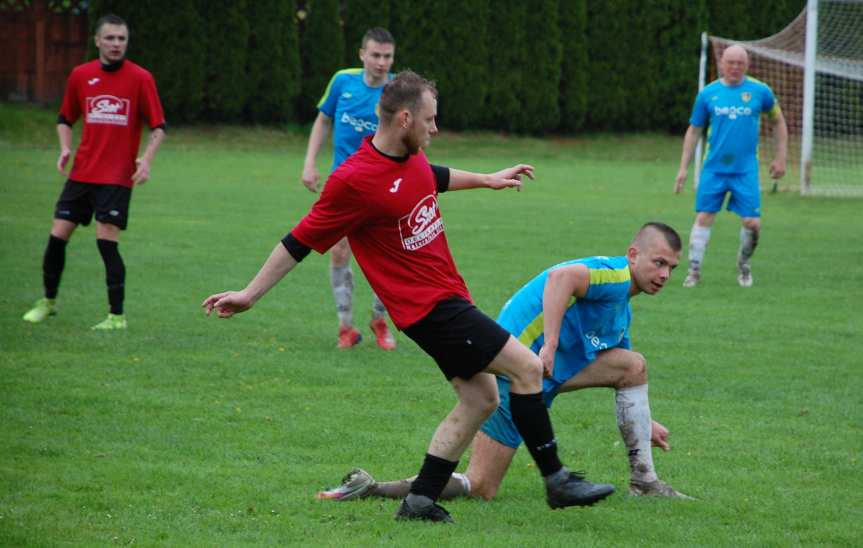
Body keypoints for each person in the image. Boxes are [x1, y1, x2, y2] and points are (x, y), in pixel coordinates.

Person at [203, 71, 614, 523]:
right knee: (529, 367)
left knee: (481, 399)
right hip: (430, 309)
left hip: (445, 300)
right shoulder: (354, 181)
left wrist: (488, 179)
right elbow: (298, 240)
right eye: (430, 120)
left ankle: (420, 501)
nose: (435, 129)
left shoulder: (410, 156)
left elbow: (432, 177)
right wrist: (250, 294)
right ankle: (557, 481)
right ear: (404, 118)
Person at [317, 223, 693, 503]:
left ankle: (373, 489)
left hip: (534, 380)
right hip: (517, 376)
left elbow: (623, 370)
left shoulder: (620, 309)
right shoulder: (612, 274)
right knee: (480, 485)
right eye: (659, 262)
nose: (664, 275)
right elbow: (561, 278)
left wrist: (644, 419)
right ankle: (643, 484)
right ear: (633, 255)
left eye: (672, 268)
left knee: (479, 487)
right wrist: (550, 344)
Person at [22, 14, 166, 330]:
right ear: (97, 41)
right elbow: (64, 118)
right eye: (110, 38)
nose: (116, 44)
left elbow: (158, 128)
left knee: (106, 242)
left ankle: (116, 316)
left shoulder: (141, 78)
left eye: (122, 39)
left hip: (116, 178)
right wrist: (64, 148)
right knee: (57, 236)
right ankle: (48, 301)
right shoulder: (81, 75)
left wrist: (147, 160)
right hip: (81, 173)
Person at [301, 27, 397, 350]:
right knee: (339, 251)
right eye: (376, 55)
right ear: (362, 55)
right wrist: (309, 163)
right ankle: (346, 327)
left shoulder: (397, 91)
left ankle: (379, 320)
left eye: (387, 56)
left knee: (388, 257)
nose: (381, 62)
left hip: (384, 187)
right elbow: (323, 119)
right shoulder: (343, 81)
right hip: (343, 185)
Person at [674, 44, 787, 288]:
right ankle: (694, 271)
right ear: (721, 63)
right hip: (714, 169)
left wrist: (781, 157)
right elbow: (694, 130)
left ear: (747, 65)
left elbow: (778, 121)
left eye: (740, 63)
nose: (735, 67)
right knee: (704, 216)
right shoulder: (708, 94)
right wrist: (683, 168)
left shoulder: (761, 91)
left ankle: (744, 263)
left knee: (752, 223)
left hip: (745, 170)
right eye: (730, 62)